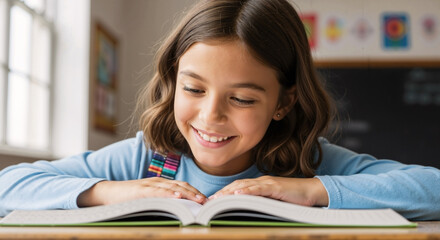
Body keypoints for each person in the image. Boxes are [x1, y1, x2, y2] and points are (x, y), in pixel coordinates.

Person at [0, 0, 439, 220]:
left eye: (243, 99)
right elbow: (8, 187)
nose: (210, 116)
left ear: (284, 101)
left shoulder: (312, 165)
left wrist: (312, 191)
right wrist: (116, 192)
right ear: (174, 82)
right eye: (193, 88)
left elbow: (432, 188)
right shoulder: (148, 160)